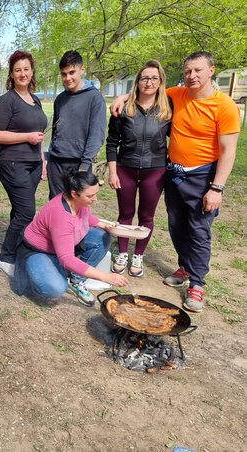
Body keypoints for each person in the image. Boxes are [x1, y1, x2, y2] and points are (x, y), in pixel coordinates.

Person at [110, 51, 240, 312]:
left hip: (203, 176)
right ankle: (185, 267)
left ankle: (197, 284)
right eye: (188, 71)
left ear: (211, 71)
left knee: (199, 230)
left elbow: (229, 151)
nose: (192, 76)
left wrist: (217, 188)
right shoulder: (176, 96)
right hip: (174, 174)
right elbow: (145, 90)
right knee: (177, 225)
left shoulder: (224, 105)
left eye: (198, 71)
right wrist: (122, 96)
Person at [13, 171, 128, 305]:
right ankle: (35, 271)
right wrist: (105, 277)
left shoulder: (80, 202)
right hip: (39, 251)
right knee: (56, 288)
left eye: (96, 193)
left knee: (102, 236)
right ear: (74, 193)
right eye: (90, 195)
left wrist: (105, 225)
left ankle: (76, 281)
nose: (95, 198)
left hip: (62, 245)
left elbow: (87, 218)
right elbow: (67, 259)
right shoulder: (60, 216)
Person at [106, 60, 172, 277]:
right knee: (125, 214)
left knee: (147, 216)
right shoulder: (124, 109)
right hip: (125, 168)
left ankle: (138, 256)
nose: (149, 82)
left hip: (155, 170)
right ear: (138, 81)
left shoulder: (168, 106)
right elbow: (112, 142)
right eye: (144, 78)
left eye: (154, 78)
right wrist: (113, 172)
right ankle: (123, 253)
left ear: (160, 80)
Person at [0, 50, 48, 277]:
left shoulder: (35, 100)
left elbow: (40, 135)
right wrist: (27, 137)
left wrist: (42, 162)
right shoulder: (7, 100)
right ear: (12, 74)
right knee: (26, 212)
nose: (22, 74)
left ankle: (17, 250)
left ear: (32, 71)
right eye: (18, 70)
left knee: (19, 211)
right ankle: (5, 258)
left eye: (26, 69)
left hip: (34, 164)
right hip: (13, 164)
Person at [47, 50, 106, 199]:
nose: (68, 78)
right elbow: (56, 130)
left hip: (79, 163)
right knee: (57, 206)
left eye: (72, 72)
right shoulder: (60, 99)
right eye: (64, 74)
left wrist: (84, 166)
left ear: (82, 70)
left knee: (78, 206)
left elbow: (96, 134)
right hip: (56, 162)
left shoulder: (94, 97)